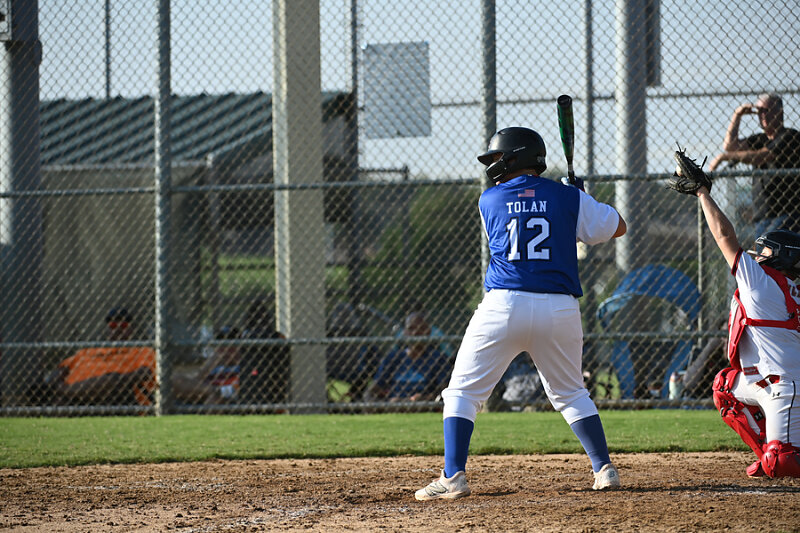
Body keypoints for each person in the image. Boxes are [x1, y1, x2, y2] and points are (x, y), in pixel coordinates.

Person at [414, 127, 627, 501]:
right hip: (559, 308)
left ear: (516, 157)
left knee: (462, 393)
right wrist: (581, 198)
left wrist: (571, 201)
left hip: (504, 306)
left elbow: (521, 216)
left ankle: (453, 477)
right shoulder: (567, 197)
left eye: (499, 157)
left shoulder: (489, 200)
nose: (493, 165)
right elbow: (617, 227)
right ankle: (604, 469)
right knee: (571, 393)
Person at [673, 161, 800, 478]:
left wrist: (702, 193)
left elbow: (724, 235)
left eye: (765, 252)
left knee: (782, 463)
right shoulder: (788, 287)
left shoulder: (761, 281)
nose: (757, 256)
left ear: (780, 257)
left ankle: (778, 452)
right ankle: (768, 450)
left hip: (787, 386)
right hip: (766, 383)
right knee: (725, 387)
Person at [707, 93, 800, 236]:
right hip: (762, 215)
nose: (762, 115)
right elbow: (730, 146)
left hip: (787, 213)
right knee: (763, 249)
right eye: (759, 111)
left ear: (779, 112)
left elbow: (761, 157)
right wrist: (737, 115)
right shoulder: (759, 139)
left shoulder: (790, 136)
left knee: (773, 248)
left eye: (767, 111)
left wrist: (723, 158)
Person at [45, 307, 156, 406]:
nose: (117, 329)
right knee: (56, 399)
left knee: (111, 380)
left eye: (123, 326)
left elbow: (145, 372)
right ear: (107, 330)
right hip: (74, 397)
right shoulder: (88, 350)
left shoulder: (141, 350)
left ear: (131, 330)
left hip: (114, 396)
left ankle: (67, 391)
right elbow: (63, 368)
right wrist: (56, 381)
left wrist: (115, 378)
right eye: (113, 326)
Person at [368, 312, 450, 402]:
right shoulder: (393, 358)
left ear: (428, 331)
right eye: (411, 328)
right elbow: (373, 390)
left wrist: (425, 399)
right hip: (395, 404)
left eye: (421, 328)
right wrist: (388, 402)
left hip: (423, 403)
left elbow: (444, 393)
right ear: (404, 332)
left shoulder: (439, 359)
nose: (415, 333)